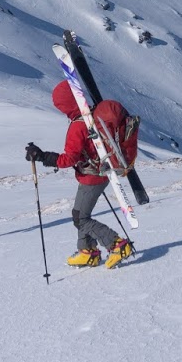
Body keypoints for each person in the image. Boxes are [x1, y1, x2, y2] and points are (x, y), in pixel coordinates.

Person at [25, 82, 137, 268]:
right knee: (79, 214)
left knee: (82, 218)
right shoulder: (92, 115)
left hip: (92, 177)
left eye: (59, 104)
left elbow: (69, 158)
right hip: (99, 173)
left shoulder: (79, 125)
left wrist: (42, 156)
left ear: (66, 103)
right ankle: (88, 251)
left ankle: (117, 244)